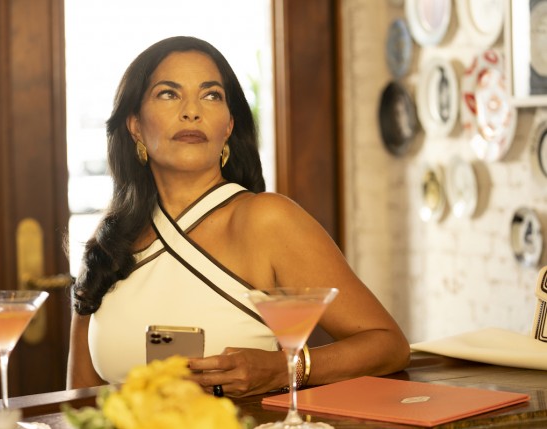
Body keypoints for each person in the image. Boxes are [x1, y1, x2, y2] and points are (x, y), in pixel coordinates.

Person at [66, 35, 410, 397]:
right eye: (168, 94)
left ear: (229, 126)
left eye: (211, 95)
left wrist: (282, 369)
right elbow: (77, 404)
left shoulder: (268, 220)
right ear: (135, 124)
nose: (191, 111)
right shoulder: (109, 241)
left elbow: (388, 346)